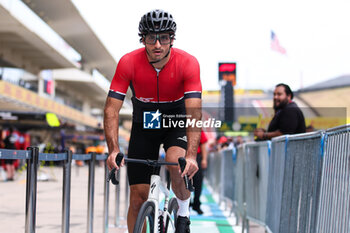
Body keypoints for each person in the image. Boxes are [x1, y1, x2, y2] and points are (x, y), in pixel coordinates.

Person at [104, 9, 202, 233]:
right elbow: (111, 109)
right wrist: (113, 149)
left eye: (164, 37)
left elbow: (194, 111)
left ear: (172, 39)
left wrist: (191, 156)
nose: (158, 44)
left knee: (175, 161)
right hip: (145, 124)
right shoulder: (128, 62)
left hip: (174, 121)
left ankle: (184, 213)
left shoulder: (188, 63)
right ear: (143, 39)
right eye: (151, 37)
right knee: (137, 199)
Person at [191, 130, 208, 215]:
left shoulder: (198, 129)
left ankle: (196, 204)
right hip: (183, 155)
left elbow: (203, 144)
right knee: (183, 182)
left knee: (198, 182)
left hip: (196, 157)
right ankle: (185, 204)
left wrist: (204, 159)